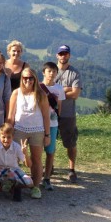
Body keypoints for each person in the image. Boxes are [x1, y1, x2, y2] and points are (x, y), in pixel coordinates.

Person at [7, 67, 50, 199]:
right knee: (14, 159)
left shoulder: (41, 94)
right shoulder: (16, 93)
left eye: (31, 78)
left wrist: (47, 135)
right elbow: (11, 115)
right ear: (21, 79)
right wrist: (8, 131)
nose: (28, 80)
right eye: (25, 78)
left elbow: (46, 116)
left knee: (36, 159)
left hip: (37, 130)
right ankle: (12, 183)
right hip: (19, 129)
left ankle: (35, 187)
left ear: (35, 79)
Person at [55, 44, 82, 183]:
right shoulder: (51, 70)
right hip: (51, 113)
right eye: (61, 53)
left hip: (67, 114)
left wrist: (57, 92)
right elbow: (45, 89)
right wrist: (66, 89)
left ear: (69, 55)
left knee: (70, 142)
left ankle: (71, 169)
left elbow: (75, 94)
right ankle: (50, 166)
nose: (63, 56)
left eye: (65, 53)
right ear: (57, 55)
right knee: (49, 141)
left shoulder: (75, 73)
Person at [0, 123, 33, 202]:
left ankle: (15, 187)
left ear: (13, 137)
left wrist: (26, 154)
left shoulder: (16, 146)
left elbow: (29, 165)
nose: (6, 140)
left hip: (13, 169)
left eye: (9, 137)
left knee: (29, 183)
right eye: (3, 137)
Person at [40, 61, 66, 191]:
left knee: (50, 151)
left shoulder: (59, 88)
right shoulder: (38, 87)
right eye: (49, 71)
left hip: (53, 124)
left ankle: (47, 177)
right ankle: (37, 174)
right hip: (38, 124)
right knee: (37, 151)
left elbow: (59, 107)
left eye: (54, 71)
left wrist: (58, 121)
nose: (51, 74)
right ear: (43, 73)